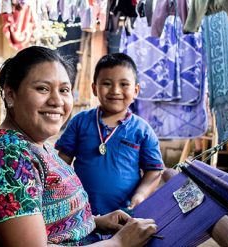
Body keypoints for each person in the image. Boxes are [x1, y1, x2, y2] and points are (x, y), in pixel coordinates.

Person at [0, 46, 157, 247]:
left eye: (64, 90)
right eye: (42, 88)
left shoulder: (36, 145)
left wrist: (95, 222)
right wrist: (120, 243)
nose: (57, 101)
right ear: (10, 94)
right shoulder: (8, 157)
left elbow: (45, 221)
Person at [55, 53, 164, 216]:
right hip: (80, 213)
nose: (115, 90)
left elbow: (154, 171)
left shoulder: (143, 130)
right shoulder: (80, 122)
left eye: (124, 84)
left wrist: (140, 195)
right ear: (94, 88)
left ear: (135, 91)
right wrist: (61, 193)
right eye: (106, 83)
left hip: (124, 214)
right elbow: (62, 161)